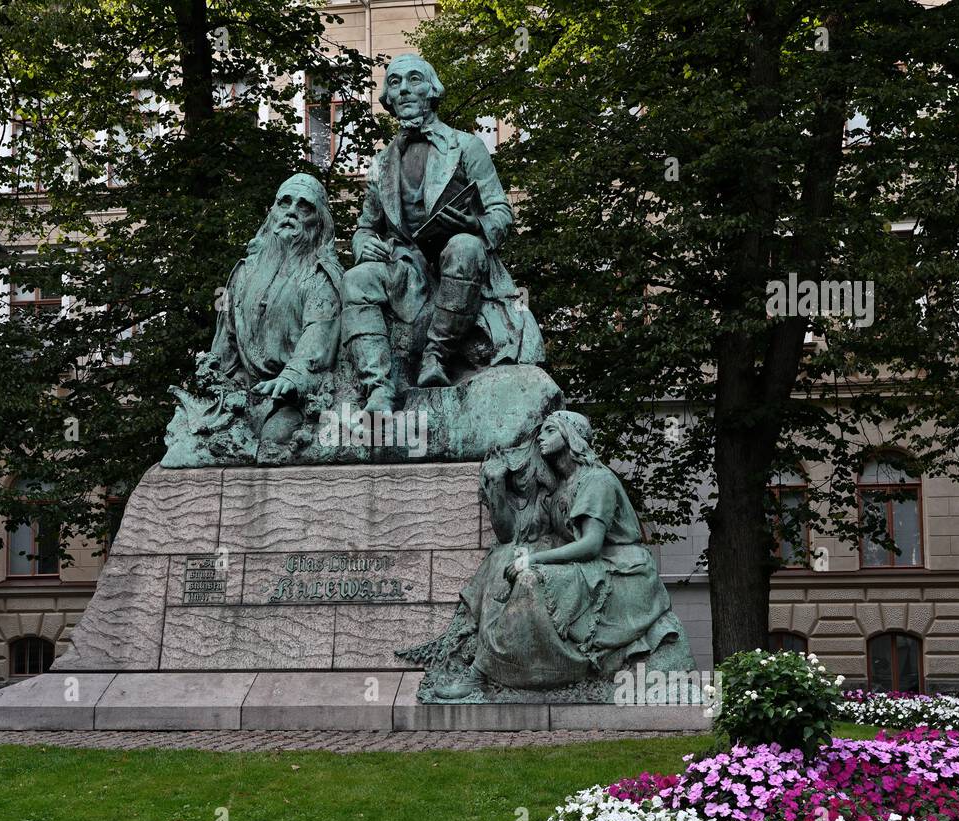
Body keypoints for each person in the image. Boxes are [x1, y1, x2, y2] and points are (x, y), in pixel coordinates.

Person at [341, 54, 542, 417]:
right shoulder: (381, 162)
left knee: (464, 247)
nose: (403, 90)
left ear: (432, 91)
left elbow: (501, 212)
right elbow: (366, 226)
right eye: (395, 83)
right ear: (388, 98)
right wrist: (362, 244)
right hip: (406, 266)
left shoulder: (467, 146)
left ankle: (436, 355)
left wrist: (473, 224)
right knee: (355, 281)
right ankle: (378, 387)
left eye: (413, 79)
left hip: (458, 259)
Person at [434, 410, 686, 696]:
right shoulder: (560, 486)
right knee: (505, 558)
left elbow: (591, 545)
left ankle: (481, 672)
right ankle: (487, 661)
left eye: (551, 430)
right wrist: (497, 487)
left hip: (622, 571)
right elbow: (512, 535)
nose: (541, 436)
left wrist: (534, 560)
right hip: (592, 565)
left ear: (572, 437)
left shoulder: (596, 480)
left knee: (530, 581)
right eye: (542, 431)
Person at [209, 174, 343, 449]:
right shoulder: (244, 273)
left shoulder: (322, 276)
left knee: (272, 440)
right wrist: (216, 381)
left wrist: (291, 379)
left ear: (319, 222)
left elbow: (317, 341)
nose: (291, 211)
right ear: (272, 212)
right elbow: (226, 346)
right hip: (243, 388)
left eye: (304, 206)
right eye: (285, 202)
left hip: (295, 395)